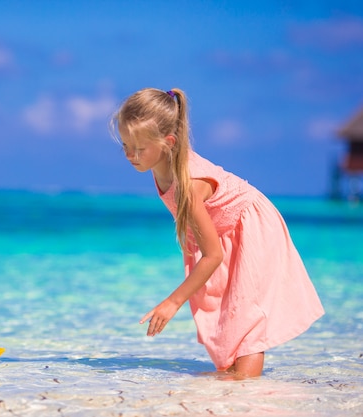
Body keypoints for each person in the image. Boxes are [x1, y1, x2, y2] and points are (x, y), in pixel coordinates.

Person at [109, 87, 324, 378]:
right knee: (225, 314)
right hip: (226, 229)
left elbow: (212, 256)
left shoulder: (189, 183)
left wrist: (172, 302)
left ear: (168, 143)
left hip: (252, 227)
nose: (130, 155)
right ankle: (234, 387)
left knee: (245, 320)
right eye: (124, 145)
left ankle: (248, 393)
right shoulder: (159, 163)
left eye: (138, 148)